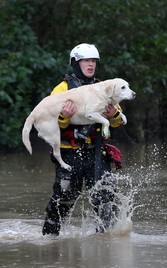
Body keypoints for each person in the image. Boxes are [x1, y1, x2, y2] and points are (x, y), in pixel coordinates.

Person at [42, 43, 125, 236]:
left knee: (106, 198)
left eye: (93, 61)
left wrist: (113, 114)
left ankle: (105, 241)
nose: (91, 65)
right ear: (75, 63)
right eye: (86, 61)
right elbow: (50, 123)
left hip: (96, 152)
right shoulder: (61, 89)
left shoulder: (106, 87)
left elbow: (118, 122)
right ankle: (49, 239)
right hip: (69, 153)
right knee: (63, 199)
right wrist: (64, 117)